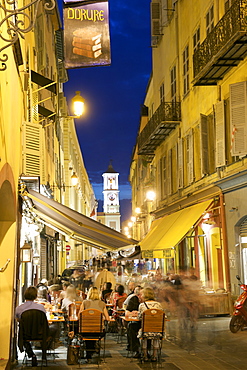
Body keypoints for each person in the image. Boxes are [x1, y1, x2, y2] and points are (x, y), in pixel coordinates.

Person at [15, 286, 51, 366]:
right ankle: (44, 352)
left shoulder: (19, 309)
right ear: (35, 296)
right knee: (54, 328)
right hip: (40, 334)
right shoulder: (41, 308)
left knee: (22, 334)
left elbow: (18, 320)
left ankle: (31, 354)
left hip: (26, 335)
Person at [78, 287, 109, 363]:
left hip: (84, 331)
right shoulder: (102, 303)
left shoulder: (85, 302)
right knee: (95, 330)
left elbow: (79, 316)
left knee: (88, 331)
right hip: (98, 331)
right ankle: (93, 350)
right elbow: (107, 318)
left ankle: (89, 354)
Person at [138, 287, 163, 362]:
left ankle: (145, 356)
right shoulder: (159, 305)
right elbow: (163, 316)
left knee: (143, 336)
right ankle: (154, 356)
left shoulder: (142, 305)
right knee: (156, 338)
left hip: (146, 330)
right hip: (158, 330)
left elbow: (139, 317)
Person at [125, 286, 142, 357]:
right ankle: (135, 348)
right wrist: (132, 313)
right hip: (152, 327)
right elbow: (127, 312)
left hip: (146, 325)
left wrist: (137, 313)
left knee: (131, 326)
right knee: (131, 326)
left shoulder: (144, 304)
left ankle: (137, 349)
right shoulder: (133, 299)